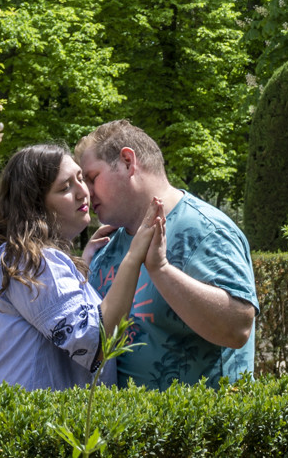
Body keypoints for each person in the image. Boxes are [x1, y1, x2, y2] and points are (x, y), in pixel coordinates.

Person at [75, 120, 258, 389]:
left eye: (92, 178)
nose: (86, 193)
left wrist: (161, 269)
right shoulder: (107, 243)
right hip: (117, 426)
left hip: (198, 428)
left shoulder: (206, 230)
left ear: (127, 161)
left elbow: (238, 328)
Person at [0, 141, 162, 391]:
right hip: (34, 428)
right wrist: (134, 257)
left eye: (81, 178)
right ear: (36, 206)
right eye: (65, 188)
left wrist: (81, 263)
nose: (83, 192)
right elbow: (96, 342)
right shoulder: (30, 260)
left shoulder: (16, 258)